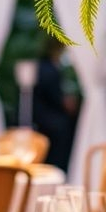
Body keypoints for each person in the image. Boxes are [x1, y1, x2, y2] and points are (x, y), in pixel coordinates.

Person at [32, 40, 78, 171]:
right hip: (53, 124)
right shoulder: (51, 70)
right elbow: (57, 98)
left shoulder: (41, 66)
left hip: (42, 120)